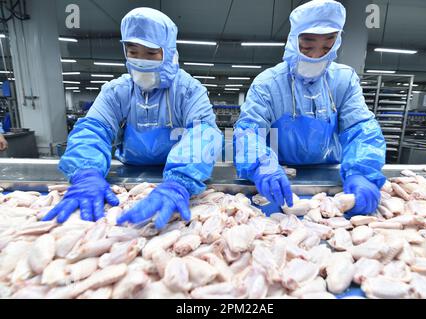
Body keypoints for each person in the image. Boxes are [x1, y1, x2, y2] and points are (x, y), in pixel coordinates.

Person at [43, 8, 222, 228]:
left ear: (168, 52)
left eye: (150, 53)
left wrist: (180, 182)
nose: (140, 61)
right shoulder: (117, 91)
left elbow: (203, 133)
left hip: (178, 177)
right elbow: (92, 130)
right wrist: (86, 170)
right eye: (133, 52)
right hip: (131, 174)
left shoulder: (188, 91)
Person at [234, 0, 386, 217]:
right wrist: (262, 166)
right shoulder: (268, 83)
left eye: (327, 46)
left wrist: (361, 172)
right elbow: (249, 130)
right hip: (279, 174)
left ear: (337, 43)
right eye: (307, 46)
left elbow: (360, 128)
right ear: (293, 41)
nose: (316, 55)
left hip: (328, 173)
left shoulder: (344, 80)